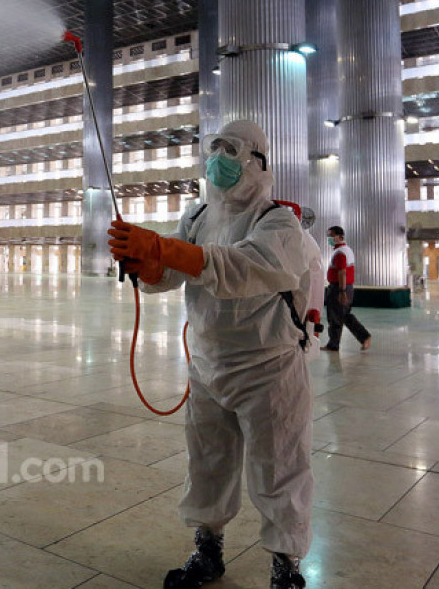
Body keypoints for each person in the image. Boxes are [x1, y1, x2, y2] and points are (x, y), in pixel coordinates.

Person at [107, 120, 312, 589]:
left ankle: (285, 565)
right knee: (207, 463)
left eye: (230, 148)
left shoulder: (278, 221)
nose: (218, 156)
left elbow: (240, 268)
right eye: (214, 147)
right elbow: (170, 277)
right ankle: (208, 550)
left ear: (257, 161)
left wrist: (164, 248)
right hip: (207, 364)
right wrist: (149, 264)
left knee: (279, 468)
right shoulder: (198, 218)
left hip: (268, 369)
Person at [322, 226, 372, 352]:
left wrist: (341, 291)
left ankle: (335, 344)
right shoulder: (345, 250)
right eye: (328, 236)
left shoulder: (340, 253)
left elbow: (342, 273)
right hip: (344, 287)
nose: (329, 239)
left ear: (340, 237)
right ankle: (362, 337)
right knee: (343, 315)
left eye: (331, 236)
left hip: (339, 288)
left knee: (335, 316)